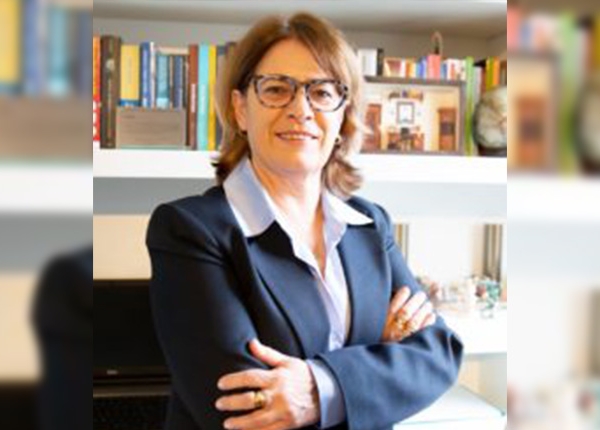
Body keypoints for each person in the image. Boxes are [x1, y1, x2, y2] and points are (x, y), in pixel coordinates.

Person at [146, 12, 463, 430]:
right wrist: (378, 357)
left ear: (343, 114)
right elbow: (243, 411)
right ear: (240, 109)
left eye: (322, 92)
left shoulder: (370, 224)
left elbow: (439, 354)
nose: (301, 109)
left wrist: (318, 388)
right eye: (276, 89)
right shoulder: (190, 230)